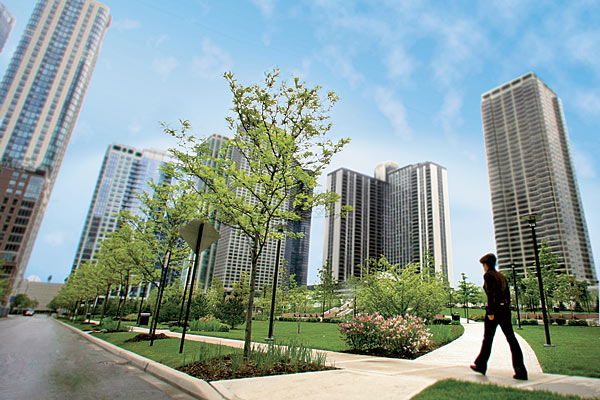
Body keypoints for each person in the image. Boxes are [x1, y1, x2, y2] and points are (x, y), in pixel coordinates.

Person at [470, 253, 528, 380]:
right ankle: (521, 370)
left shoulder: (488, 275)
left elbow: (491, 295)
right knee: (511, 339)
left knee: (488, 339)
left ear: (486, 264)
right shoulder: (501, 276)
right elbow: (507, 295)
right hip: (505, 310)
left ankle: (481, 365)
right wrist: (505, 306)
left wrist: (490, 312)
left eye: (483, 265)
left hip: (495, 311)